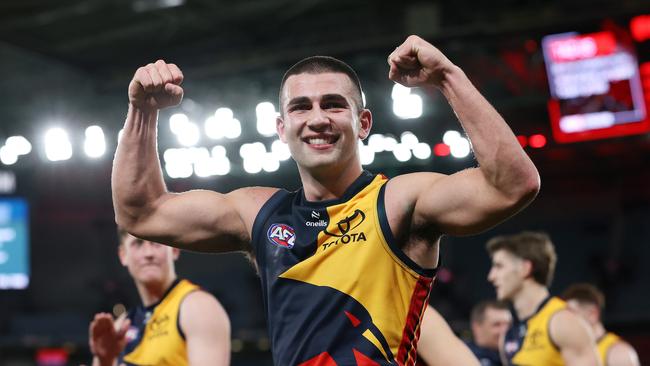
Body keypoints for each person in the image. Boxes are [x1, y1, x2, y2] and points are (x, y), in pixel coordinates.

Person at [112, 34, 540, 365]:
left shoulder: (398, 201)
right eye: (301, 107)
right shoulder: (260, 213)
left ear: (363, 122)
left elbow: (512, 185)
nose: (317, 118)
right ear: (282, 128)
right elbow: (141, 212)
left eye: (333, 105)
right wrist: (142, 113)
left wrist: (447, 76)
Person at [88, 228, 230, 366]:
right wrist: (104, 361)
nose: (148, 253)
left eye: (156, 242)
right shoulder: (121, 326)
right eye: (138, 244)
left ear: (174, 250)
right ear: (123, 255)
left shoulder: (199, 307)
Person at [486, 232, 600, 366]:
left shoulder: (563, 322)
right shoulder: (509, 335)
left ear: (525, 268)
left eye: (499, 266)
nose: (491, 276)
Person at [562, 283, 640, 366]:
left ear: (593, 314)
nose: (566, 320)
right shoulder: (568, 352)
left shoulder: (619, 354)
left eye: (571, 313)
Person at [465, 300, 511, 366]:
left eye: (508, 325)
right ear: (477, 327)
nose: (505, 330)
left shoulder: (516, 353)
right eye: (497, 324)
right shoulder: (463, 356)